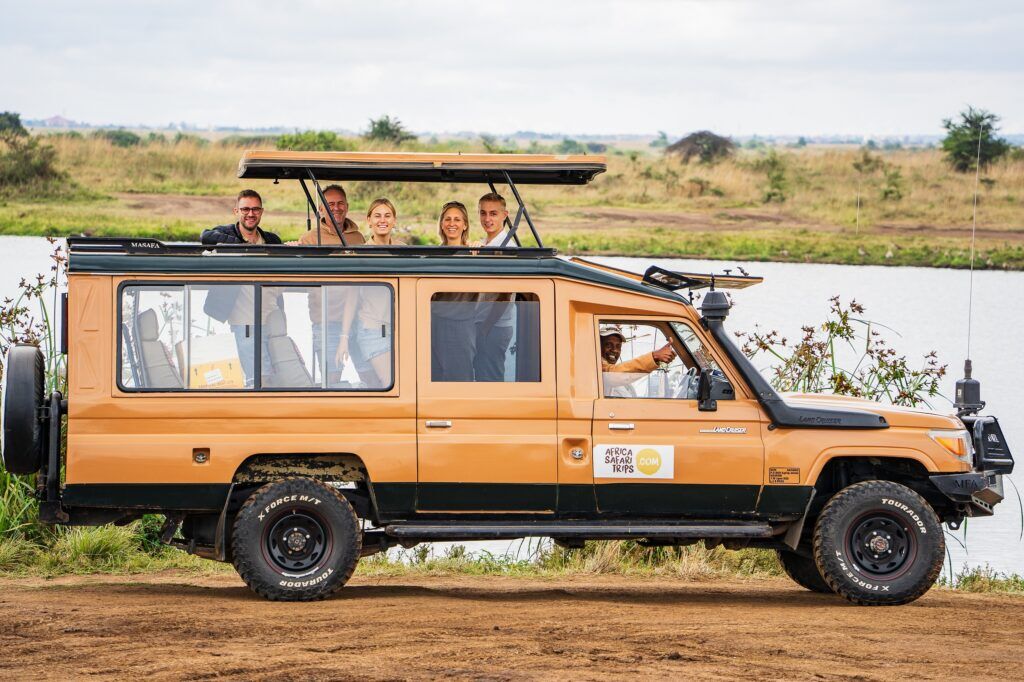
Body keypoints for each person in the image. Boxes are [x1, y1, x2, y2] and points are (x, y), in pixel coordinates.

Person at [600, 324, 676, 397]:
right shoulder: (596, 367)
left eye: (618, 346)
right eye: (608, 345)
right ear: (598, 346)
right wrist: (654, 356)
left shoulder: (625, 386)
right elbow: (611, 374)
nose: (615, 350)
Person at [200, 189, 282, 245]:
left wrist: (291, 248)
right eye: (245, 209)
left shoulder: (273, 239)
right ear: (236, 211)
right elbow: (206, 236)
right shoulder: (225, 232)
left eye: (255, 209)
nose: (251, 214)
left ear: (261, 212)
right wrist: (239, 244)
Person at [297, 184, 366, 246]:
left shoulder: (358, 237)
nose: (336, 208)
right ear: (321, 209)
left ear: (347, 207)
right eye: (331, 204)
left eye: (340, 203)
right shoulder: (308, 239)